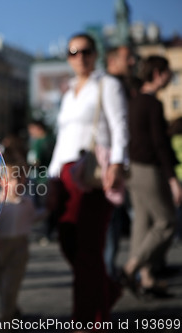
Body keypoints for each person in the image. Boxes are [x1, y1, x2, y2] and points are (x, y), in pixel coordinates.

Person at [47, 33, 128, 325]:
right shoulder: (69, 94)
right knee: (68, 242)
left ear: (95, 54)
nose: (80, 57)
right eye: (73, 52)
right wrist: (52, 177)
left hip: (94, 172)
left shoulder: (107, 84)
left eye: (86, 51)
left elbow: (120, 126)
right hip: (67, 174)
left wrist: (118, 163)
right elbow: (62, 139)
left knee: (88, 250)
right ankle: (107, 290)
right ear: (68, 57)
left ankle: (89, 320)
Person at [122, 55, 181, 298]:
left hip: (133, 169)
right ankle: (131, 268)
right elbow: (160, 144)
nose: (170, 77)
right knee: (166, 222)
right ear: (157, 73)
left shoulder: (134, 102)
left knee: (142, 224)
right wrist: (172, 179)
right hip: (149, 169)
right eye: (168, 72)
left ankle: (146, 279)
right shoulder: (152, 103)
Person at [0, 153, 46, 322]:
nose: (20, 183)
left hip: (19, 247)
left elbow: (33, 217)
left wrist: (48, 211)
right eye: (15, 179)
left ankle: (6, 320)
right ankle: (12, 309)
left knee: (10, 285)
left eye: (22, 179)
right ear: (2, 182)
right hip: (0, 247)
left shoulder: (26, 202)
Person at [103, 44, 137, 279]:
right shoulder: (110, 85)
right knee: (110, 223)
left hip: (126, 164)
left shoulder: (125, 86)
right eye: (128, 58)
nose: (133, 62)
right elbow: (117, 127)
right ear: (112, 61)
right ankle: (109, 274)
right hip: (115, 166)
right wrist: (116, 163)